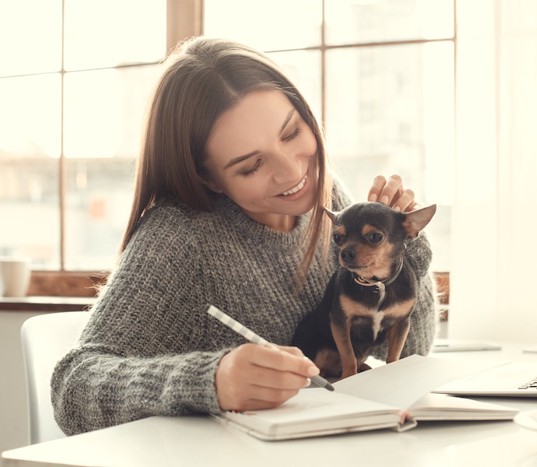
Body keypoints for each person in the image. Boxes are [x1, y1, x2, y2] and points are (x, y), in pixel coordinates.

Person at [51, 36, 437, 435]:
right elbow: (73, 388)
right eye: (251, 166)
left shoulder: (328, 198)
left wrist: (405, 249)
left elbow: (411, 355)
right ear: (208, 179)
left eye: (291, 133)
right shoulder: (179, 237)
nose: (291, 172)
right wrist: (210, 380)